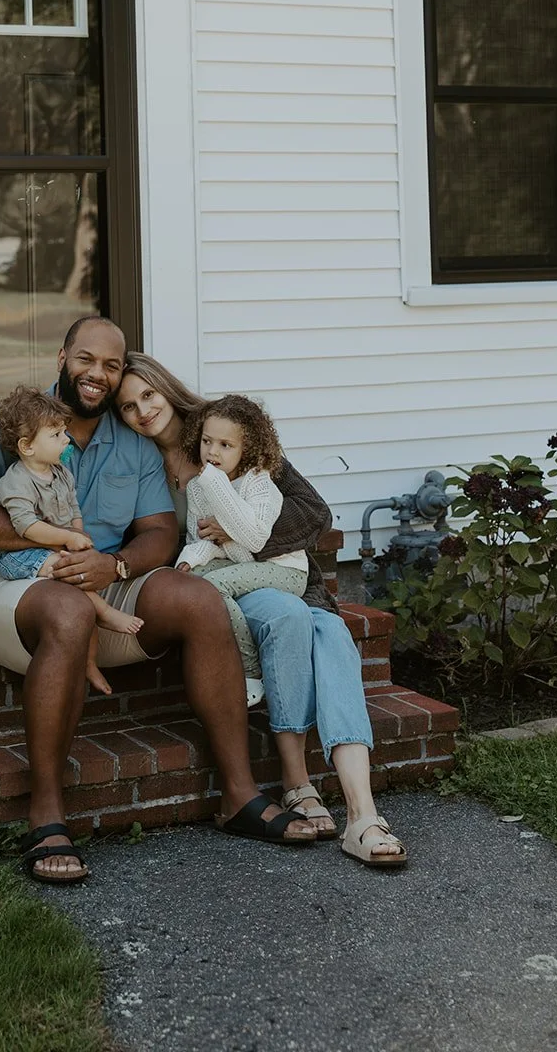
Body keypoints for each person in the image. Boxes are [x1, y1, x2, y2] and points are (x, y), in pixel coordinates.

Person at [0, 316, 317, 885]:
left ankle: (237, 795)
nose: (98, 374)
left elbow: (160, 533)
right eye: (87, 359)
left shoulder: (131, 444)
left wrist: (113, 565)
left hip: (106, 585)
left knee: (198, 598)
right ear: (61, 358)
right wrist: (59, 545)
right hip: (10, 588)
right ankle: (47, 817)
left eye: (112, 366)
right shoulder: (7, 422)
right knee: (68, 609)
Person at [117, 352, 407, 868]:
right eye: (127, 406)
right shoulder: (132, 462)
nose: (142, 410)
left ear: (166, 387)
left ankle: (363, 814)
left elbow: (312, 512)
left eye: (148, 394)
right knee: (287, 619)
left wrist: (239, 531)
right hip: (215, 591)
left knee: (334, 635)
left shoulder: (229, 432)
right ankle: (297, 783)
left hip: (278, 577)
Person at [0, 384, 143, 696]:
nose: (66, 440)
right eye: (56, 435)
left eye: (64, 432)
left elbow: (72, 505)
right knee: (71, 573)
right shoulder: (17, 480)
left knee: (78, 574)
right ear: (27, 446)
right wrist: (67, 539)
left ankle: (89, 659)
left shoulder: (60, 471)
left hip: (55, 545)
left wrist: (78, 529)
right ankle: (106, 613)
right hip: (18, 555)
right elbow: (26, 527)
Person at [175, 393, 308, 708]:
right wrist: (189, 560)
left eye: (225, 445)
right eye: (207, 441)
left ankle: (249, 670)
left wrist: (214, 482)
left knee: (213, 586)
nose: (212, 452)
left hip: (284, 570)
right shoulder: (198, 487)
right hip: (241, 564)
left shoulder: (258, 483)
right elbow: (202, 539)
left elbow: (255, 540)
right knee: (191, 581)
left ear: (246, 449)